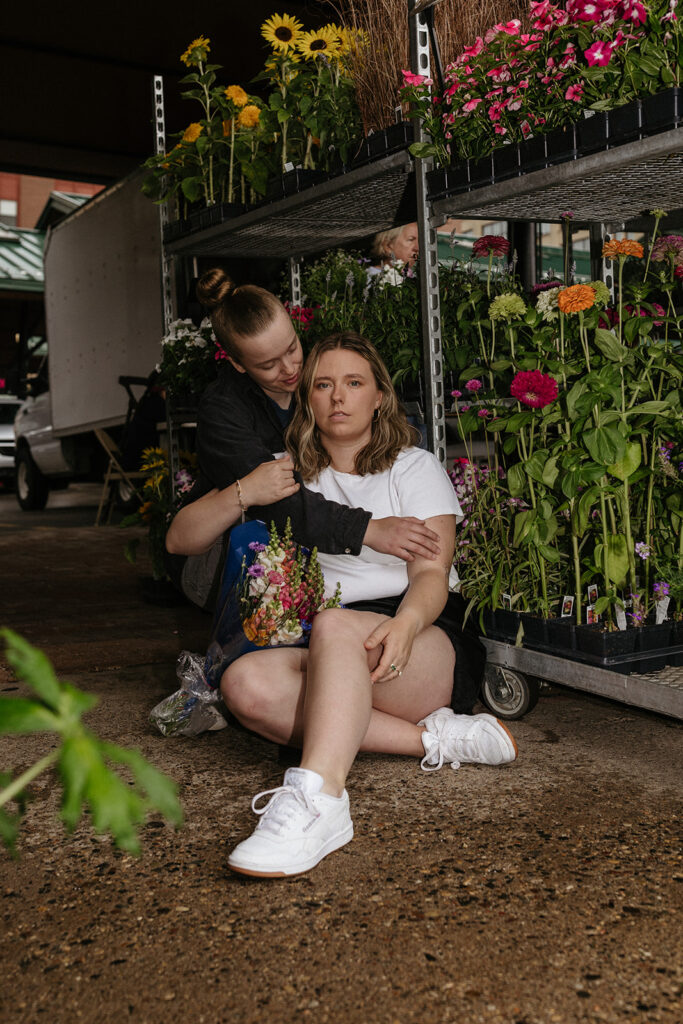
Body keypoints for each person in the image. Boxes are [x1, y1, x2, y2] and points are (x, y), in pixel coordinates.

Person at [216, 331, 518, 878]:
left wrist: (404, 625)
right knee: (243, 684)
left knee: (335, 626)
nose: (338, 397)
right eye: (324, 385)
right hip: (332, 645)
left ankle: (320, 799)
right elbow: (181, 537)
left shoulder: (412, 466)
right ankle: (434, 739)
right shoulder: (289, 475)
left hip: (418, 634)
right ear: (307, 397)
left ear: (378, 395)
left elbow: (431, 576)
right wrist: (242, 493)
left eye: (354, 383)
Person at [166, 268, 442, 581]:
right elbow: (275, 505)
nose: (290, 369)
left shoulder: (318, 376)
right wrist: (366, 529)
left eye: (292, 348)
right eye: (268, 365)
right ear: (237, 364)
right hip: (234, 562)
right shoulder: (224, 410)